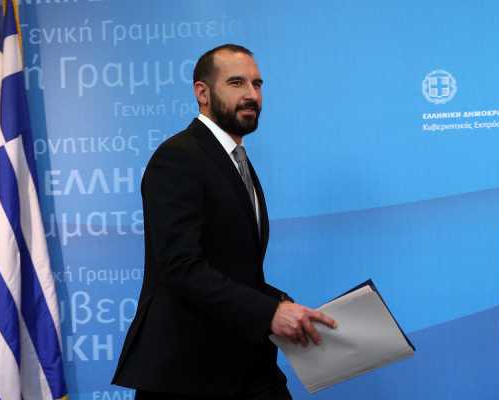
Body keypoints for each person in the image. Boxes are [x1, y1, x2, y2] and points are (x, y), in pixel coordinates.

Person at [111, 44, 337, 400]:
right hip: (189, 374)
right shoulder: (178, 157)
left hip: (245, 363)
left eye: (257, 84)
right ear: (202, 92)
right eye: (236, 83)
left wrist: (284, 307)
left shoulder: (236, 159)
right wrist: (270, 312)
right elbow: (181, 267)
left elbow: (233, 268)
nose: (252, 95)